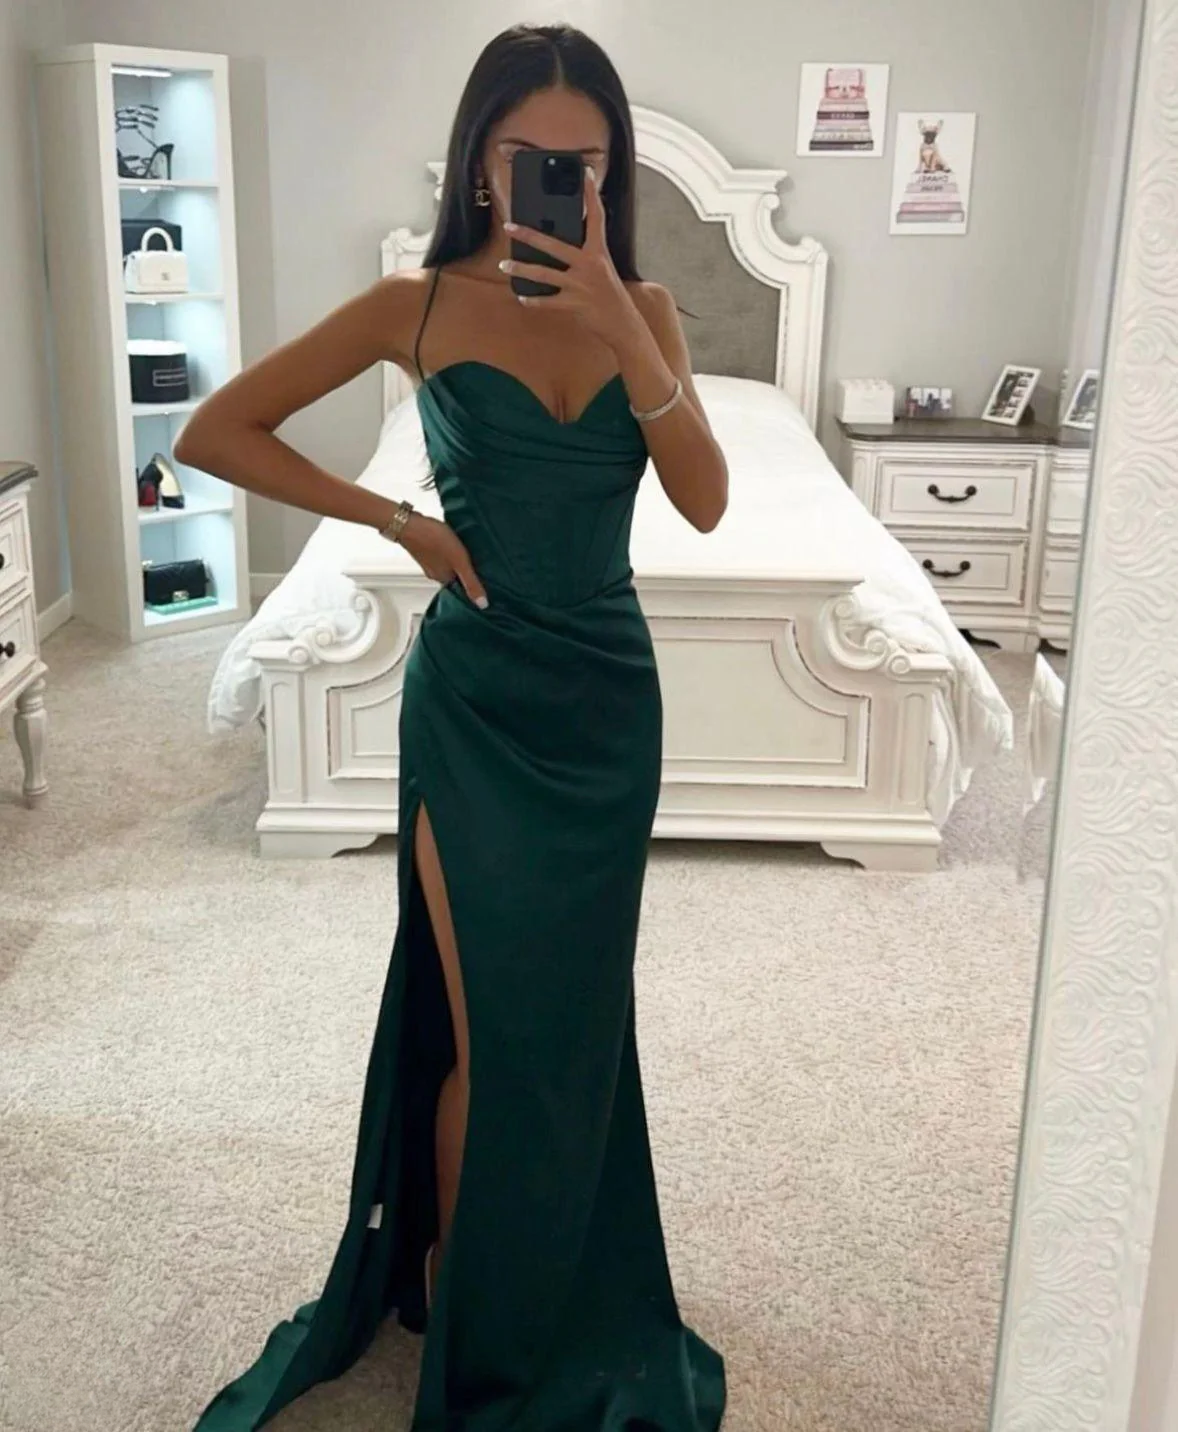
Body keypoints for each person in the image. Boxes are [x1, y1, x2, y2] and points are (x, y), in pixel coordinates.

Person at [177, 20, 729, 1431]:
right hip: (477, 706)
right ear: (480, 160)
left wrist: (619, 321)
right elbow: (214, 432)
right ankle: (463, 1305)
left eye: (586, 162)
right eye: (531, 156)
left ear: (612, 173)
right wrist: (396, 522)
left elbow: (706, 500)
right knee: (490, 1024)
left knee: (570, 1028)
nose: (559, 180)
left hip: (605, 707)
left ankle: (541, 1283)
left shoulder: (649, 309)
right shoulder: (412, 307)